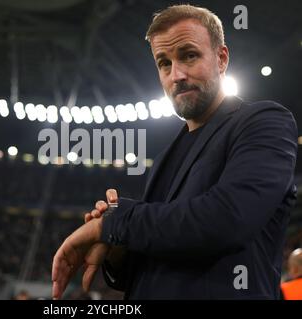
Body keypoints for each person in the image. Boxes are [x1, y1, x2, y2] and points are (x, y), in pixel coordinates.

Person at [52, 4, 298, 299]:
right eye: (164, 63)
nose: (176, 74)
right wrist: (118, 250)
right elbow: (159, 258)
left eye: (189, 55)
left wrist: (116, 223)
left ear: (221, 59)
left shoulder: (263, 121)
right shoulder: (165, 157)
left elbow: (227, 219)